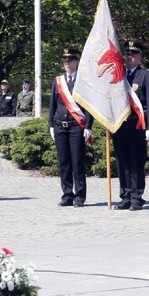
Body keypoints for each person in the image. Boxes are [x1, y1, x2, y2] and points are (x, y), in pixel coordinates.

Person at [111, 40, 149, 211]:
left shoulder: (146, 76)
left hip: (137, 125)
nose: (130, 57)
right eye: (128, 54)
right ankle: (125, 196)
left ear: (140, 57)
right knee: (122, 162)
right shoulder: (117, 75)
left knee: (136, 162)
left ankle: (137, 197)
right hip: (120, 125)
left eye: (134, 54)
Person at [48, 47, 94, 208]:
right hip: (60, 125)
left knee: (77, 162)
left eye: (70, 60)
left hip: (76, 126)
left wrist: (88, 125)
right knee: (64, 162)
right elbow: (53, 104)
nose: (67, 63)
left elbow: (89, 105)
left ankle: (80, 196)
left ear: (77, 62)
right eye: (65, 60)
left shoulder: (83, 81)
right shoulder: (58, 81)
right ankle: (67, 194)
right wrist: (51, 126)